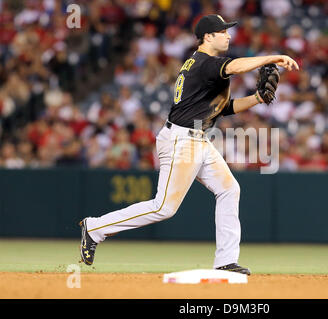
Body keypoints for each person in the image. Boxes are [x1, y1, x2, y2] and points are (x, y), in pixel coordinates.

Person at [79, 14, 299, 275]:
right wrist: (272, 57)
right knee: (163, 207)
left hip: (198, 138)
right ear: (208, 37)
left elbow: (222, 108)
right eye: (223, 32)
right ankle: (95, 227)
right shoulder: (205, 62)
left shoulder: (201, 65)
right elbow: (237, 67)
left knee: (230, 190)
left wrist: (257, 98)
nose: (228, 35)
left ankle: (226, 261)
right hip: (181, 140)